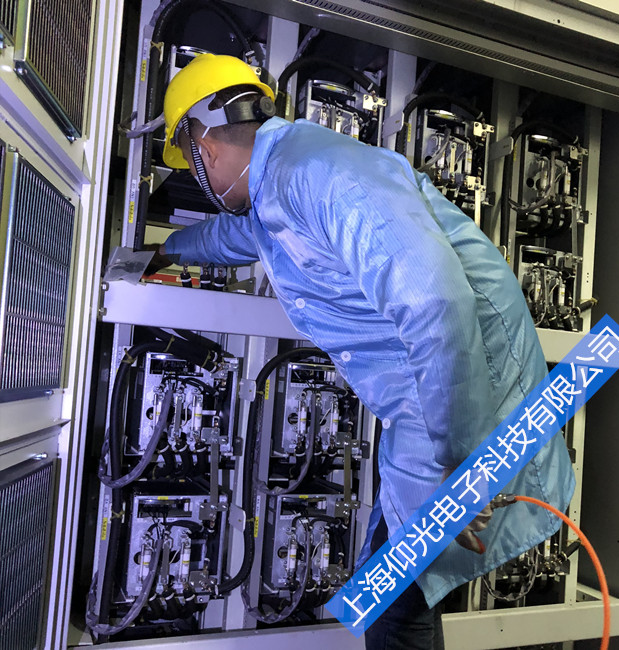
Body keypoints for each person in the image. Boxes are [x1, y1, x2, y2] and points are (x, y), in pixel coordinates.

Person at [148, 53, 575, 649]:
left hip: (459, 396)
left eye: (190, 163)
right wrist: (169, 250)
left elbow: (437, 304)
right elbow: (237, 236)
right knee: (400, 595)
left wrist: (464, 466)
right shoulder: (281, 182)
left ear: (204, 147)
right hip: (432, 402)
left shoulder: (322, 173)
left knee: (394, 605)